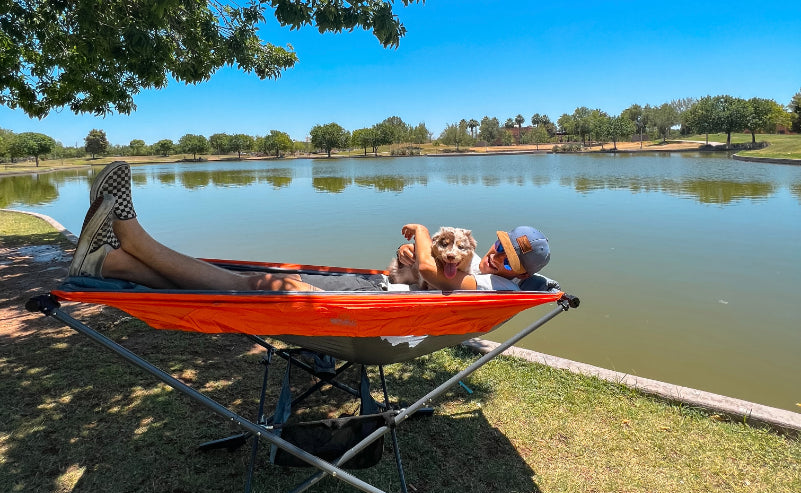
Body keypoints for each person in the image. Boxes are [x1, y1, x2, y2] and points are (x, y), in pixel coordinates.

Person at [70, 161, 551, 292]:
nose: (494, 254)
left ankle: (129, 241)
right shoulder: (481, 270)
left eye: (507, 256)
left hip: (366, 309)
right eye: (498, 245)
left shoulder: (493, 287)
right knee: (250, 278)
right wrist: (407, 262)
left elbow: (433, 268)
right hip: (372, 290)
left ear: (516, 271)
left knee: (260, 285)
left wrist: (422, 231)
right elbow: (424, 270)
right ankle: (112, 262)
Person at [396, 223, 551, 291]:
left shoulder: (500, 287)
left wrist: (421, 231)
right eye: (500, 246)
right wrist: (407, 250)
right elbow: (434, 254)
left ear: (523, 275)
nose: (495, 257)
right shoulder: (474, 260)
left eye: (508, 262)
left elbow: (427, 269)